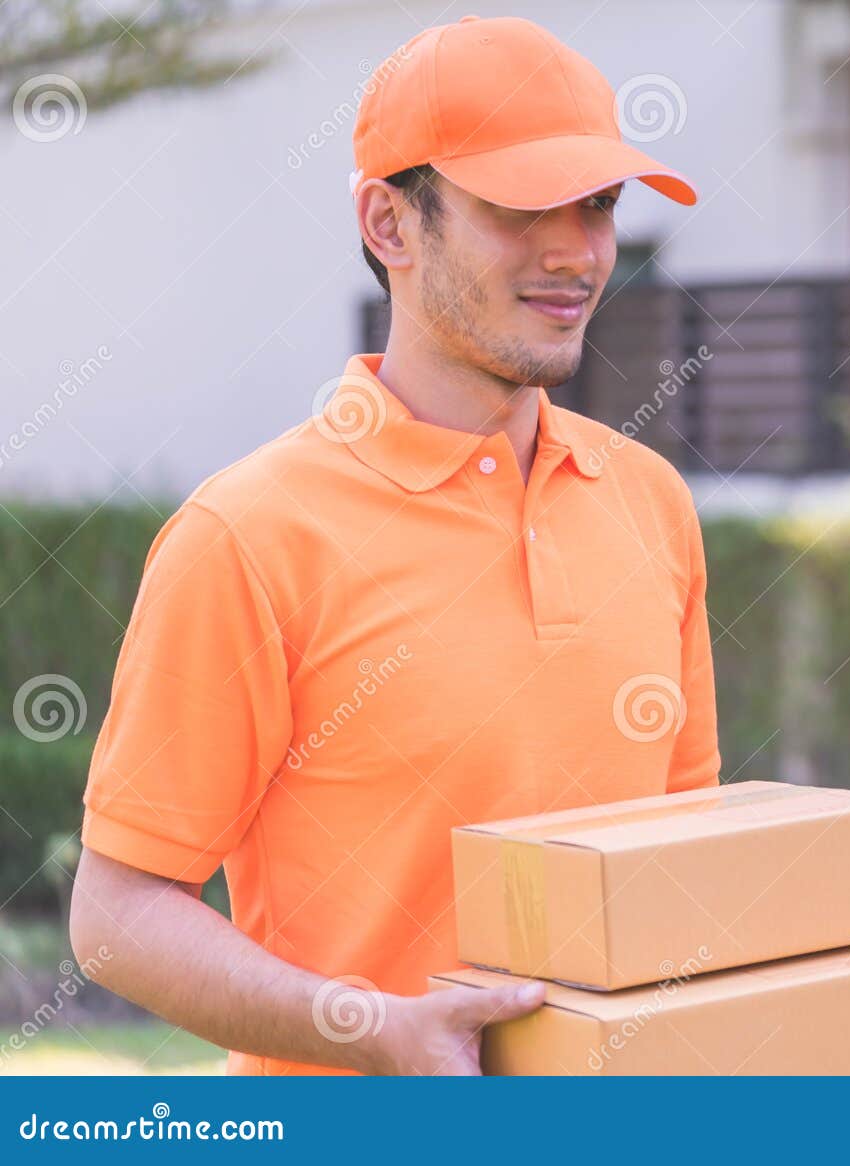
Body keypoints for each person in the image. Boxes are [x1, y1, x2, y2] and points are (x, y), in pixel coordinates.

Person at [69, 15, 719, 1076]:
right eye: (519, 208)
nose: (576, 251)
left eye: (597, 204)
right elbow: (117, 913)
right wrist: (373, 1028)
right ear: (390, 222)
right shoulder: (248, 534)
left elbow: (684, 851)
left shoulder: (649, 501)